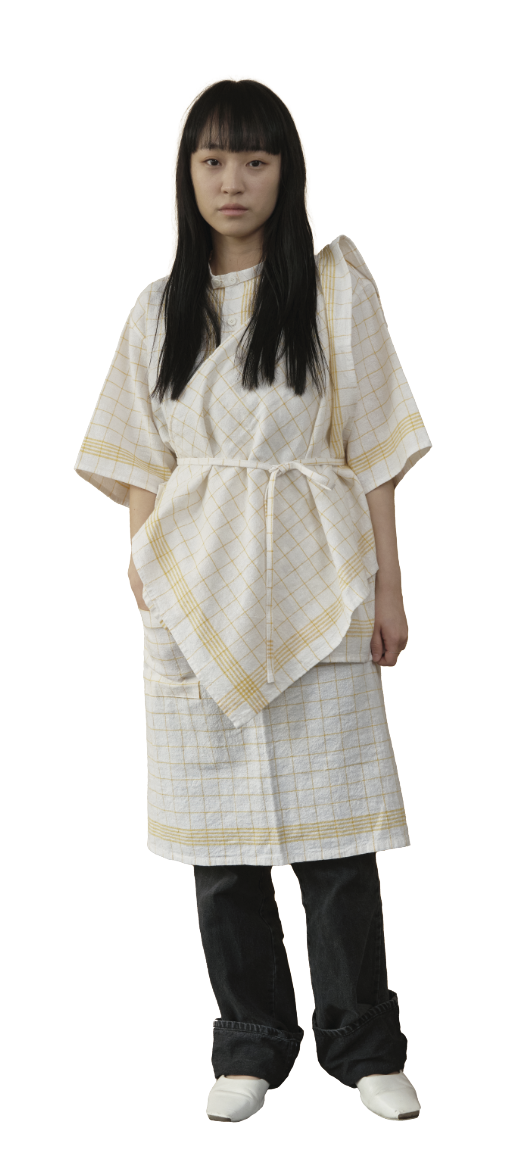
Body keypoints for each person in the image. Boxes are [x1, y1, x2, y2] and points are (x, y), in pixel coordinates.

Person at [74, 78, 431, 1124]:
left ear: (287, 171)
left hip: (319, 576)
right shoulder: (158, 309)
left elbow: (373, 451)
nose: (233, 180)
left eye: (256, 159)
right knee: (220, 845)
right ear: (187, 174)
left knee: (337, 836)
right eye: (213, 160)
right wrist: (145, 571)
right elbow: (137, 456)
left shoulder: (332, 293)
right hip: (196, 586)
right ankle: (251, 1043)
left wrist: (391, 585)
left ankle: (364, 1045)